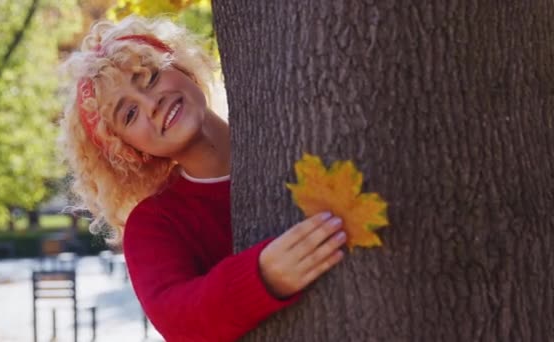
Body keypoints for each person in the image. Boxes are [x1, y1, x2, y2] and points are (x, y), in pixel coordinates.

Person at [59, 15, 348, 342]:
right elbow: (177, 319)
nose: (152, 103)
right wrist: (262, 278)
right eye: (129, 114)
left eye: (151, 77)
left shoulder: (295, 134)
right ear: (129, 150)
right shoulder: (154, 225)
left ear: (182, 68)